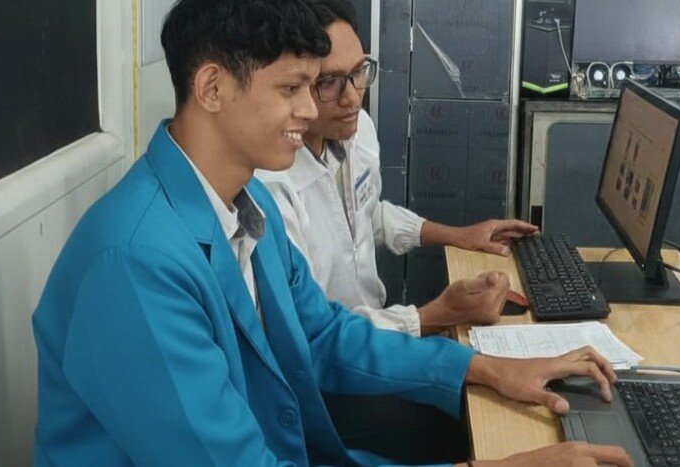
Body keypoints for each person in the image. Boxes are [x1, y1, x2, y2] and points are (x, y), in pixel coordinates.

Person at [31, 0, 631, 465]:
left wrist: (485, 369)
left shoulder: (246, 205)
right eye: (291, 89)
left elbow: (320, 335)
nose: (311, 110)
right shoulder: (134, 264)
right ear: (212, 88)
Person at [255, 0, 538, 337]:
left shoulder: (356, 129)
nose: (352, 97)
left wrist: (459, 236)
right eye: (329, 82)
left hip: (379, 329)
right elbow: (312, 336)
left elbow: (365, 213)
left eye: (358, 72)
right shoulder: (272, 188)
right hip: (338, 353)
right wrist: (435, 315)